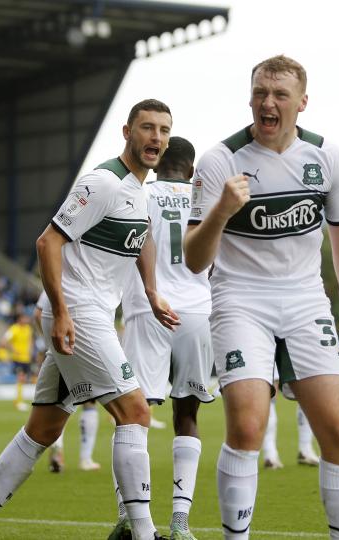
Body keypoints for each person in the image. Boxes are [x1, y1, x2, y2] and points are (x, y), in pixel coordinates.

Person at [0, 99, 176, 540]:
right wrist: (60, 311)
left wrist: (151, 292)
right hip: (77, 311)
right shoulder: (103, 183)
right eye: (147, 128)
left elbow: (144, 236)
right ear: (127, 131)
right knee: (133, 412)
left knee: (43, 427)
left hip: (84, 312)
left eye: (164, 131)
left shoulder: (139, 191)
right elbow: (47, 242)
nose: (156, 138)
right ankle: (145, 534)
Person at [184, 55, 339, 540]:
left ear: (302, 103)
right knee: (247, 426)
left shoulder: (328, 157)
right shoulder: (219, 161)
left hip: (307, 300)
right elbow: (194, 259)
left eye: (280, 95)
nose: (268, 103)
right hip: (240, 299)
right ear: (250, 97)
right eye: (260, 93)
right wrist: (222, 211)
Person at [114, 137, 212, 540]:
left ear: (157, 166)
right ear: (190, 170)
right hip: (198, 312)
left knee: (131, 415)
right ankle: (180, 522)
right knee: (187, 414)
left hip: (148, 309)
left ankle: (130, 518)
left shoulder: (140, 194)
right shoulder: (205, 200)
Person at [32, 292, 101, 472]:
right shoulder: (83, 276)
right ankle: (85, 459)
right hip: (84, 344)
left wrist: (50, 342)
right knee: (89, 402)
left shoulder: (54, 279)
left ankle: (58, 449)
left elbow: (38, 314)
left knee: (60, 404)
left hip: (58, 348)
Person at [0, 313, 34, 411]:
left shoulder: (28, 329)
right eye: (24, 317)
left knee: (23, 379)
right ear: (19, 319)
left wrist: (30, 350)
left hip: (26, 358)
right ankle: (18, 402)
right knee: (20, 378)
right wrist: (13, 350)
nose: (26, 319)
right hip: (17, 358)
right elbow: (3, 341)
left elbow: (30, 341)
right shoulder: (14, 329)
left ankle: (18, 401)